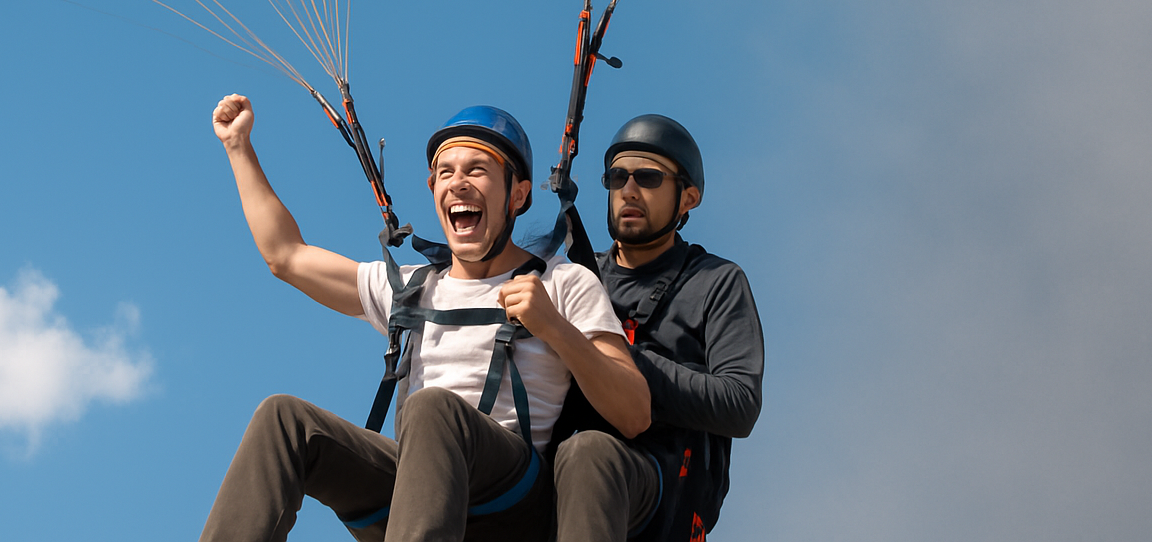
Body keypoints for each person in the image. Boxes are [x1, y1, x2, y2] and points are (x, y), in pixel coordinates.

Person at [201, 96, 650, 542]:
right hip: (414, 489)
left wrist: (554, 327)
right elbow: (286, 256)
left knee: (432, 406)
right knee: (283, 419)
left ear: (518, 193)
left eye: (477, 170)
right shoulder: (411, 287)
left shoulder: (563, 284)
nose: (458, 183)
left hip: (507, 502)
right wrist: (238, 147)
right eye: (446, 172)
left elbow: (633, 412)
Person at [553, 115, 764, 542]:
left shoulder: (716, 282)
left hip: (662, 487)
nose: (628, 190)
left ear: (687, 198)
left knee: (589, 453)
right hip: (563, 479)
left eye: (647, 178)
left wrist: (620, 360)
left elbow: (740, 404)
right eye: (616, 177)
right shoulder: (576, 277)